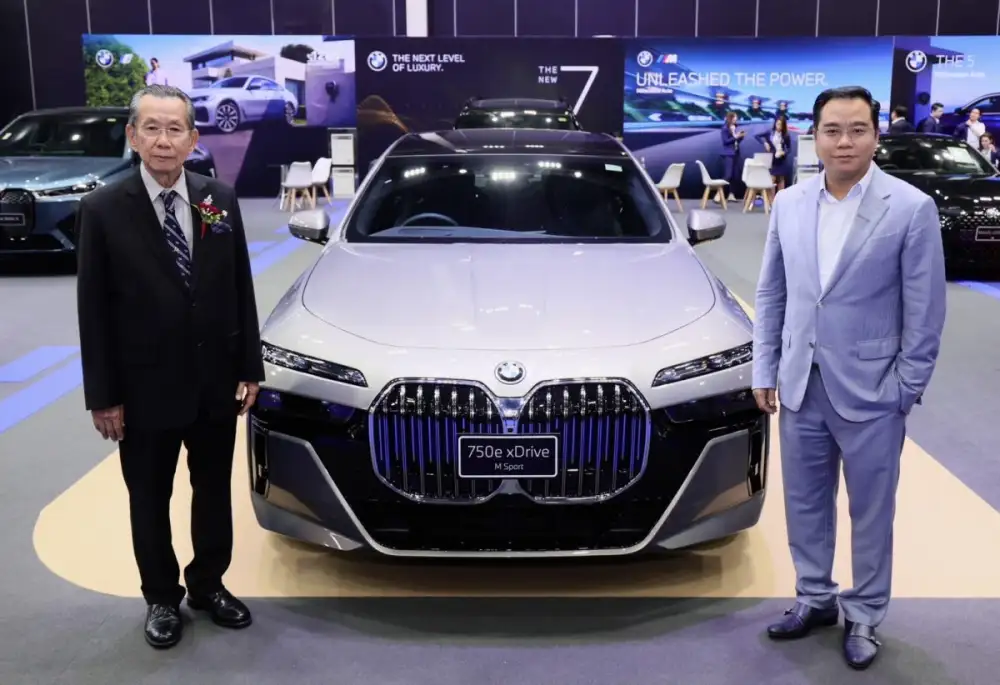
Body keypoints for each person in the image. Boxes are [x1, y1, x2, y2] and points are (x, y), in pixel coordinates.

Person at [751, 86, 946, 670]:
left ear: (876, 135)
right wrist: (766, 367)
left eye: (858, 129)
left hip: (874, 391)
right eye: (832, 130)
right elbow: (773, 292)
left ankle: (865, 613)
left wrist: (905, 389)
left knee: (872, 511)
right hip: (800, 383)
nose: (844, 141)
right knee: (805, 502)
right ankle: (815, 596)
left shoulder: (909, 207)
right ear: (814, 135)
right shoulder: (789, 203)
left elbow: (926, 310)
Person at [75, 84, 264, 649]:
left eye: (175, 128)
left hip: (214, 383)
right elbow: (93, 310)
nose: (163, 140)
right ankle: (161, 596)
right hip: (143, 389)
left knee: (213, 492)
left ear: (193, 138)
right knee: (149, 497)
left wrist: (249, 367)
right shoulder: (103, 209)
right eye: (151, 128)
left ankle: (208, 584)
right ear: (132, 136)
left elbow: (240, 286)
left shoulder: (217, 199)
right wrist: (103, 395)